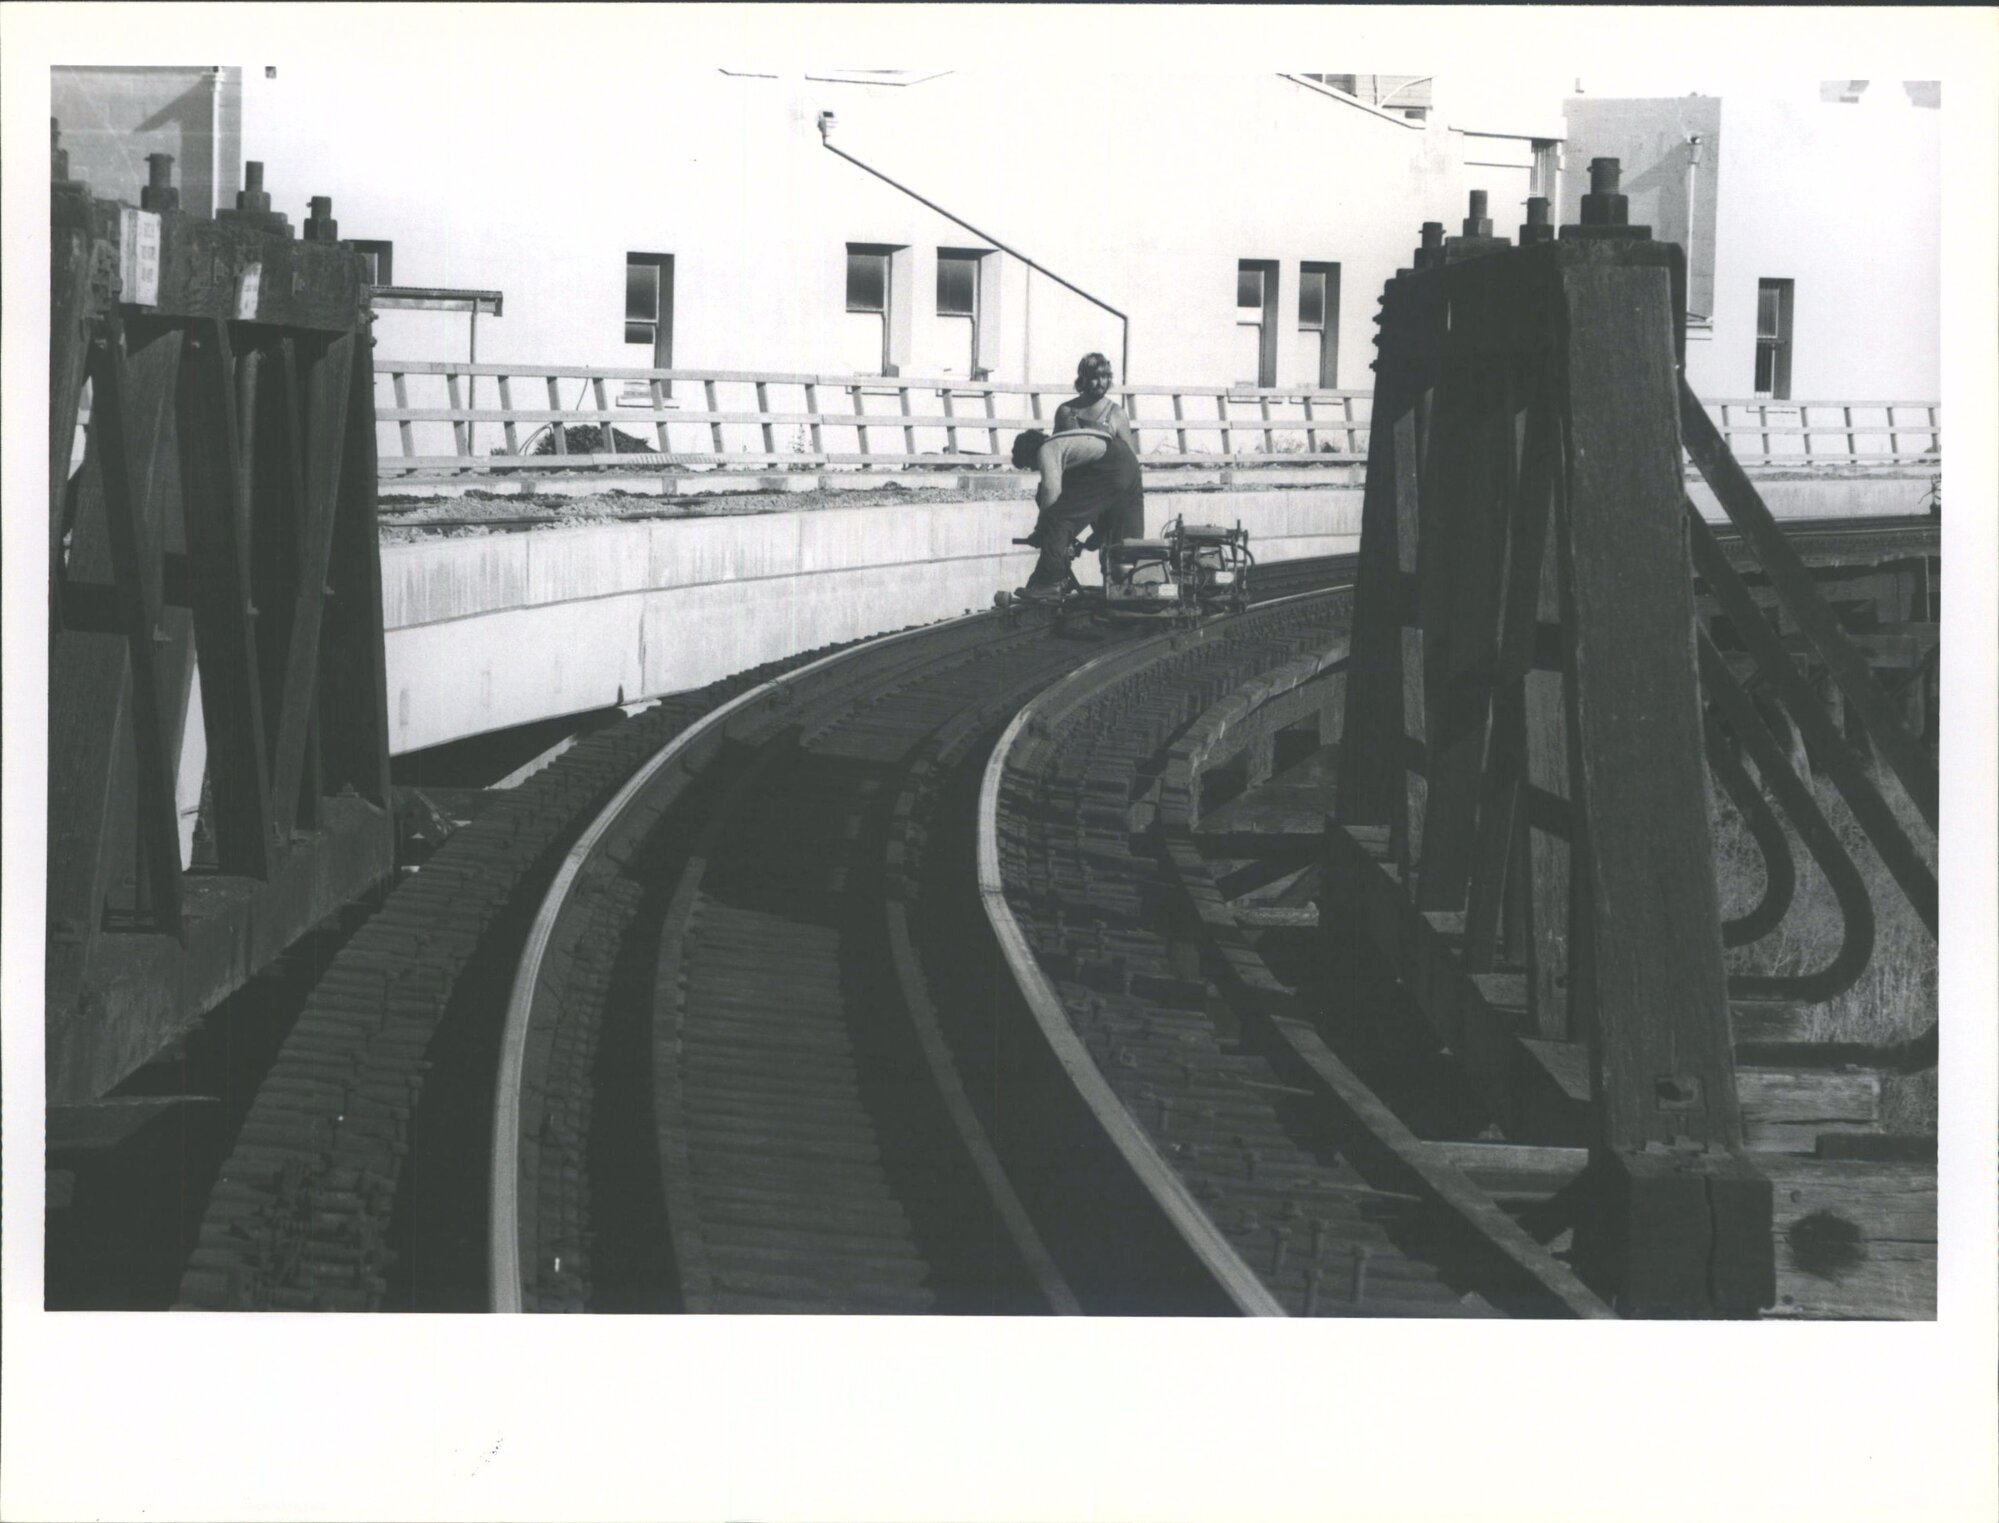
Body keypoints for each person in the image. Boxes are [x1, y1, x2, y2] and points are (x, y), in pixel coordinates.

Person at [1009, 425, 1145, 598]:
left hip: (1110, 465)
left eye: (1029, 466)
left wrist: (1041, 531)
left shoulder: (1046, 449)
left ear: (1030, 454)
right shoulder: (1067, 446)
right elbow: (1093, 505)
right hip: (1127, 462)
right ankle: (1126, 590)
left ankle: (1049, 583)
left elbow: (1051, 493)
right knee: (1124, 541)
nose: (1035, 469)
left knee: (1057, 517)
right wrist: (1097, 536)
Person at [1052, 353, 1137, 453]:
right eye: (1094, 377)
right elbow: (1054, 450)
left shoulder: (1117, 414)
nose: (1100, 382)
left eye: (1104, 376)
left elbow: (1130, 457)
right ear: (1083, 379)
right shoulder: (1065, 411)